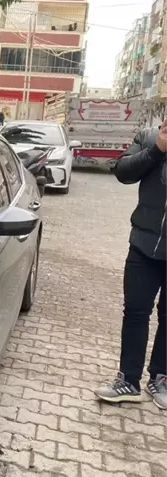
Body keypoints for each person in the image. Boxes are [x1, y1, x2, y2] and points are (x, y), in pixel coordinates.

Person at [95, 120, 167, 409]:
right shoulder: (148, 137)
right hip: (143, 246)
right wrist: (157, 149)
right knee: (136, 312)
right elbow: (123, 172)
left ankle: (160, 378)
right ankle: (129, 380)